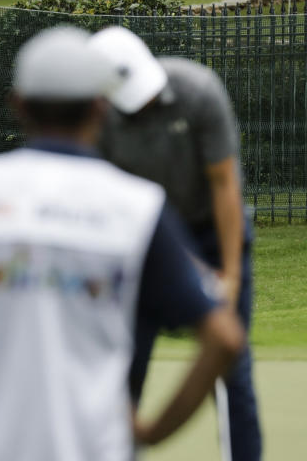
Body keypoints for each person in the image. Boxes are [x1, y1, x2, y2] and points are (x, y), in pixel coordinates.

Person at [0, 27, 244, 461]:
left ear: (18, 106)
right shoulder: (138, 208)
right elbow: (223, 340)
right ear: (101, 108)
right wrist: (152, 432)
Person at [89, 25, 262, 461]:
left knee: (232, 368)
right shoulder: (99, 121)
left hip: (210, 233)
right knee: (125, 363)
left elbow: (224, 184)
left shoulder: (198, 91)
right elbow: (110, 204)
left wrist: (231, 277)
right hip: (143, 242)